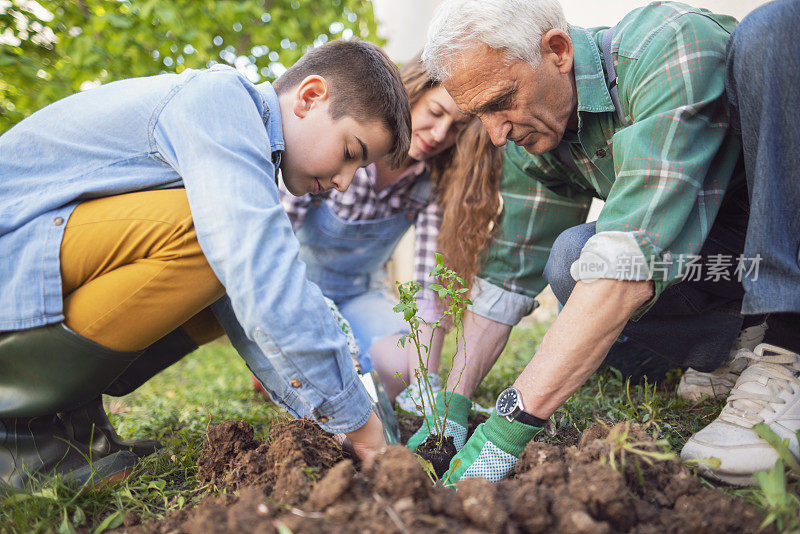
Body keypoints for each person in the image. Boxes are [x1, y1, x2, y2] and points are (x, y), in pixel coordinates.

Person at [0, 39, 411, 491]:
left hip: (31, 267)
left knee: (222, 271)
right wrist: (355, 416)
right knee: (210, 238)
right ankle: (18, 437)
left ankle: (70, 421)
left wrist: (326, 416)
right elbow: (261, 275)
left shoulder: (237, 144)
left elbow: (249, 302)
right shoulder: (221, 101)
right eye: (351, 152)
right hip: (13, 259)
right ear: (310, 96)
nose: (344, 182)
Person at [417, 0, 799, 485]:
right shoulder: (536, 135)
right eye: (479, 114)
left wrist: (504, 434)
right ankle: (735, 346)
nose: (495, 134)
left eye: (501, 100)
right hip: (732, 266)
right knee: (571, 258)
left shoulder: (663, 47)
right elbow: (507, 278)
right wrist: (450, 402)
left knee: (774, 28)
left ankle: (787, 346)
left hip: (784, 241)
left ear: (557, 51)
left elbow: (628, 263)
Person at [276, 54, 503, 416]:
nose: (441, 134)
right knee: (324, 373)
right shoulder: (336, 151)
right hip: (303, 292)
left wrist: (424, 381)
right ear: (410, 95)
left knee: (400, 370)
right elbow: (278, 239)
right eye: (436, 113)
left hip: (359, 294)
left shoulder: (431, 185)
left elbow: (432, 280)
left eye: (457, 127)